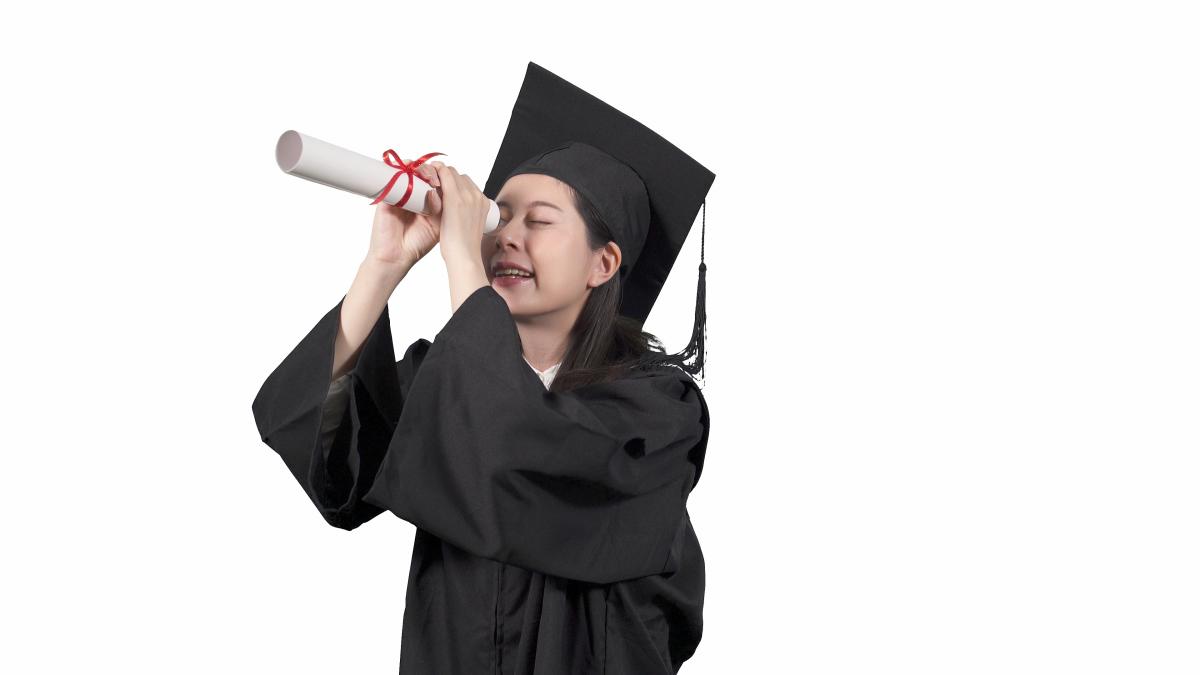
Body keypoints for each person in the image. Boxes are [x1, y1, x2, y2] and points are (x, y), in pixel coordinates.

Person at [252, 62, 715, 674]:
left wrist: (463, 269)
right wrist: (382, 267)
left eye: (540, 222)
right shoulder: (444, 374)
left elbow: (518, 448)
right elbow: (339, 481)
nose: (504, 239)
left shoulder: (658, 414)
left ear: (603, 264)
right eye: (498, 219)